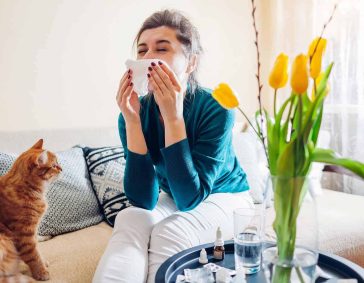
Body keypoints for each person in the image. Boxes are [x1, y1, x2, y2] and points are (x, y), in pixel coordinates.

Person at [93, 9, 253, 283]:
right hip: (177, 195)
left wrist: (173, 117)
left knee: (171, 231)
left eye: (162, 49)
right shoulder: (134, 112)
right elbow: (143, 199)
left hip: (225, 196)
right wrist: (132, 122)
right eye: (142, 51)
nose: (147, 59)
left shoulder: (216, 106)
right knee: (130, 218)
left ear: (191, 62)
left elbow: (190, 197)